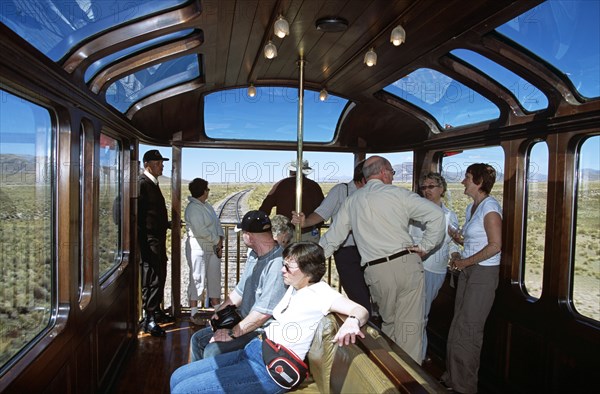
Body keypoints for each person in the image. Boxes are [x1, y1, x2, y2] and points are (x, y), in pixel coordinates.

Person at [171, 242, 369, 394]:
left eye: (288, 267)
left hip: (272, 370)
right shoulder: (295, 287)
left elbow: (359, 309)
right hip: (256, 351)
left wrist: (352, 321)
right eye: (283, 265)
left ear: (308, 270)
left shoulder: (321, 292)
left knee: (184, 389)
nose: (282, 270)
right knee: (177, 377)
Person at [319, 155, 445, 364]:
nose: (393, 178)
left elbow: (331, 239)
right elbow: (436, 216)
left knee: (389, 324)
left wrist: (307, 267)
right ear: (385, 173)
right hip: (406, 264)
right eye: (393, 173)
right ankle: (410, 381)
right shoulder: (400, 195)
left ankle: (389, 370)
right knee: (410, 329)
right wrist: (425, 246)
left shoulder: (352, 201)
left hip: (376, 271)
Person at [188, 210, 287, 361]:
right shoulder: (255, 255)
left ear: (249, 235)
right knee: (198, 339)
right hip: (245, 321)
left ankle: (213, 383)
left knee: (213, 351)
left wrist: (232, 333)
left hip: (262, 330)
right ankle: (195, 381)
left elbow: (262, 315)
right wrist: (219, 312)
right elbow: (240, 291)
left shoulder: (276, 264)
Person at [441, 163, 502, 394]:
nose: (463, 182)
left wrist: (464, 262)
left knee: (469, 330)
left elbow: (496, 246)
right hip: (469, 271)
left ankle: (464, 387)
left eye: (467, 178)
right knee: (458, 324)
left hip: (483, 274)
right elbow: (474, 242)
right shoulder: (472, 208)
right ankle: (452, 378)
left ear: (478, 182)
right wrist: (458, 242)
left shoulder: (490, 207)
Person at [291, 160, 371, 315]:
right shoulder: (342, 191)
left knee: (373, 294)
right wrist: (305, 221)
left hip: (370, 251)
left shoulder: (374, 194)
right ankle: (364, 329)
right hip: (347, 252)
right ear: (363, 179)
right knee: (358, 295)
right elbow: (323, 212)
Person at [409, 172, 459, 362]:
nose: (427, 191)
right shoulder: (415, 213)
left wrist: (455, 254)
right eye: (424, 187)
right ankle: (415, 354)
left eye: (431, 186)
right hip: (413, 266)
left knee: (421, 312)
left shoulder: (449, 216)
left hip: (434, 269)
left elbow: (452, 241)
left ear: (442, 189)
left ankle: (417, 356)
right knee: (412, 311)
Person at [138, 149, 173, 337]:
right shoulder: (142, 184)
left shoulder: (153, 183)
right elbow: (130, 214)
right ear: (147, 165)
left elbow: (151, 214)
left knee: (160, 276)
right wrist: (142, 239)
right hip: (148, 244)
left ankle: (156, 311)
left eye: (162, 162)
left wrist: (165, 224)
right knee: (152, 280)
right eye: (158, 163)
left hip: (157, 241)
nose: (162, 165)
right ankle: (149, 319)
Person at [184, 178, 224, 324]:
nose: (208, 192)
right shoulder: (192, 208)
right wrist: (217, 241)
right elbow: (200, 230)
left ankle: (218, 310)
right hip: (198, 248)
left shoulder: (206, 206)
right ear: (202, 191)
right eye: (207, 189)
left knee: (214, 277)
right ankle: (194, 313)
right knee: (197, 277)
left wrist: (220, 241)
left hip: (212, 247)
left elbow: (217, 223)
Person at [259, 160, 324, 242]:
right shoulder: (314, 186)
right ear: (306, 171)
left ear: (291, 170)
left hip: (285, 236)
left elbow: (265, 209)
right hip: (309, 234)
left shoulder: (281, 185)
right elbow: (322, 211)